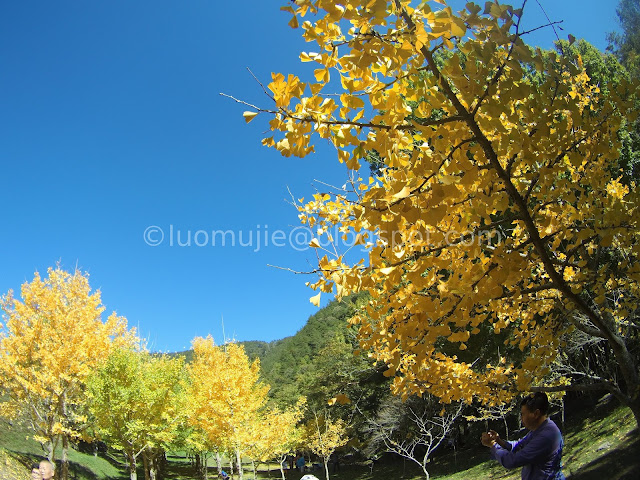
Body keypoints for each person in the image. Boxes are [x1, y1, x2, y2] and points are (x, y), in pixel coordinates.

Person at [481, 392, 565, 479]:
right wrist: (498, 441)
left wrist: (493, 445)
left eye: (523, 414)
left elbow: (512, 461)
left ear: (536, 414)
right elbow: (519, 446)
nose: (521, 418)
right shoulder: (540, 429)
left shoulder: (546, 435)